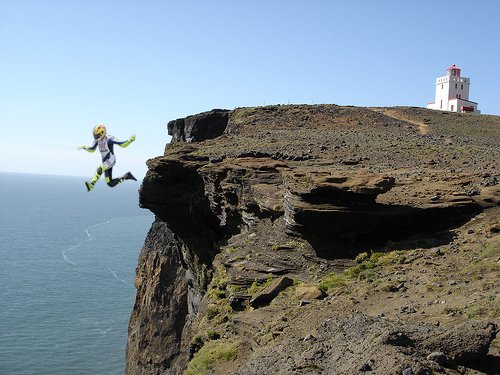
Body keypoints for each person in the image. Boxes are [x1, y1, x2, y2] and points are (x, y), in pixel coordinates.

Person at [78, 124, 137, 191]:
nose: (96, 137)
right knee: (110, 183)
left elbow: (122, 144)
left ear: (102, 132)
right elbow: (92, 149)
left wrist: (130, 141)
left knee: (100, 168)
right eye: (95, 135)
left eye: (97, 135)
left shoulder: (109, 138)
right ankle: (127, 176)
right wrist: (84, 147)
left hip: (111, 159)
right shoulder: (97, 140)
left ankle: (91, 184)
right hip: (104, 161)